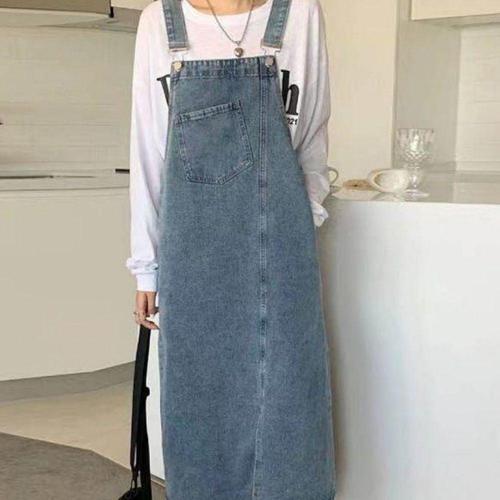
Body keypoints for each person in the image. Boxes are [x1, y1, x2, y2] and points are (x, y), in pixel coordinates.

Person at [126, 0, 336, 498]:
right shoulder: (160, 22)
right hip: (193, 255)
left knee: (290, 395)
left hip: (282, 247)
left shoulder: (300, 13)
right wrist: (146, 267)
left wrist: (299, 220)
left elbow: (311, 136)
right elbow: (147, 148)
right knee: (201, 397)